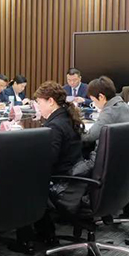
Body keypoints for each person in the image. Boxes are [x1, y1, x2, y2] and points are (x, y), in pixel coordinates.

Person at [35, 81, 85, 214]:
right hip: (71, 175)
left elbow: (49, 160)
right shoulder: (67, 117)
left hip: (61, 181)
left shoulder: (55, 126)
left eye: (39, 103)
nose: (38, 107)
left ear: (51, 101)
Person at [83, 76, 129, 144]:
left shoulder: (109, 112)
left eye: (93, 100)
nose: (94, 104)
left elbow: (89, 136)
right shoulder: (124, 106)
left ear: (101, 97)